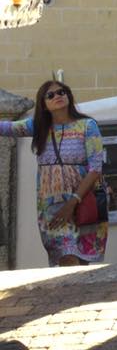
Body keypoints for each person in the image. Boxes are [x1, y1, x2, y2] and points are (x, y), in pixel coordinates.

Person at [0, 81, 107, 266]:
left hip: (84, 201)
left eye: (61, 92)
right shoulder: (38, 127)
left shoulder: (87, 126)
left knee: (81, 261)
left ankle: (79, 294)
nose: (57, 96)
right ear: (43, 104)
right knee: (65, 258)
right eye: (50, 95)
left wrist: (72, 203)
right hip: (51, 208)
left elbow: (96, 168)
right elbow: (7, 128)